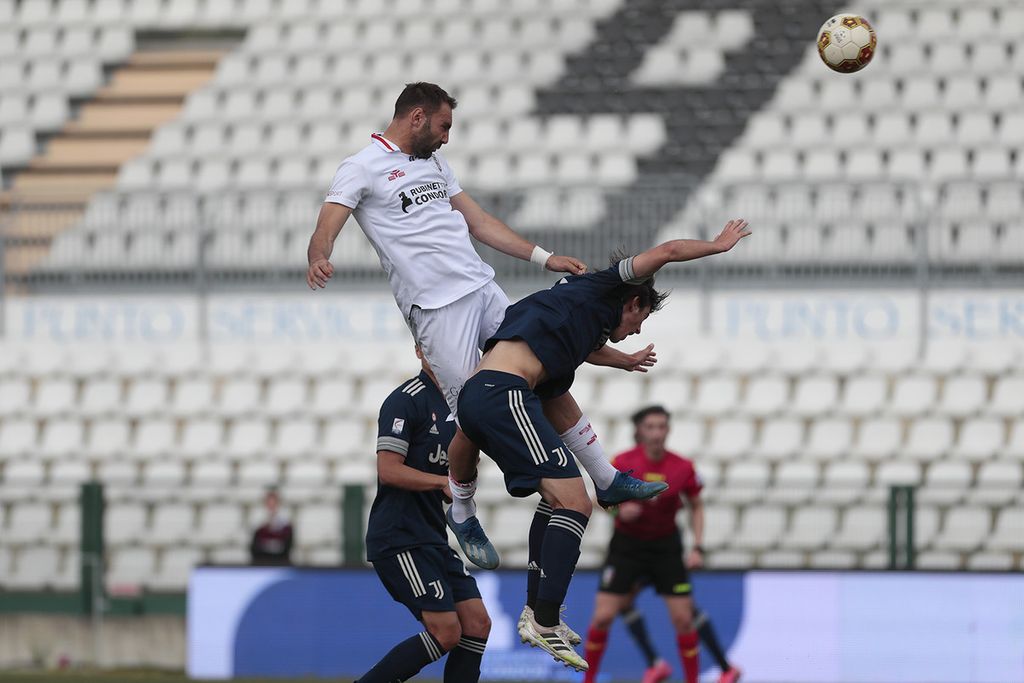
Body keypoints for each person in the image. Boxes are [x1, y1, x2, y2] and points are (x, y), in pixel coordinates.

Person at [307, 81, 666, 570]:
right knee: (473, 415)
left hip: (481, 288)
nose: (446, 137)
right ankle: (462, 510)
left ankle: (606, 478)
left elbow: (479, 222)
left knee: (544, 368)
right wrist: (319, 256)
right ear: (416, 117)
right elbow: (328, 223)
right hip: (437, 309)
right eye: (443, 126)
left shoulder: (435, 165)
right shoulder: (361, 167)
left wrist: (544, 257)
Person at [455, 220, 751, 670]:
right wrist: (717, 246)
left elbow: (589, 348)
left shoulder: (577, 316)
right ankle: (545, 619)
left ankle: (539, 608)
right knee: (576, 502)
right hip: (503, 394)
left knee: (557, 496)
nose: (635, 330)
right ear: (633, 302)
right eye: (640, 320)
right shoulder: (604, 287)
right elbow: (668, 250)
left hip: (494, 394)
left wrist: (624, 361)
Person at [357, 347, 490, 682]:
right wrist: (442, 482)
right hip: (400, 537)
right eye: (431, 344)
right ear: (419, 350)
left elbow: (460, 471)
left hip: (432, 536)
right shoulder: (406, 400)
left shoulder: (462, 405)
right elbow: (388, 470)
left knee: (477, 623)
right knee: (446, 632)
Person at [582, 406, 740, 683]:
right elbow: (599, 499)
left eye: (662, 427)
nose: (656, 433)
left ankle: (687, 676)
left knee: (683, 620)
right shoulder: (623, 461)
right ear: (639, 431)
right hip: (627, 548)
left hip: (666, 549)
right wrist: (619, 510)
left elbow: (696, 506)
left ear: (668, 430)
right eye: (650, 427)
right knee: (603, 617)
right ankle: (591, 679)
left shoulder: (683, 467)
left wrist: (697, 547)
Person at [249, 487, 293, 566]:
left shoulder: (285, 523)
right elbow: (254, 546)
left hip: (280, 561)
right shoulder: (258, 523)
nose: (271, 506)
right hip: (262, 561)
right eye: (269, 503)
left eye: (274, 503)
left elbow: (287, 546)